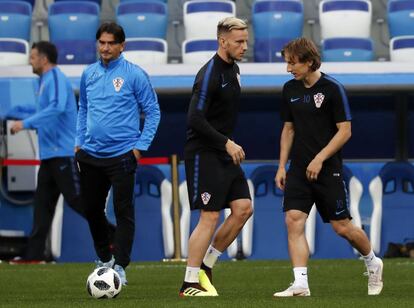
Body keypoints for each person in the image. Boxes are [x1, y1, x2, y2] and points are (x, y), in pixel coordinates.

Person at [273, 37, 383, 297]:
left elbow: (345, 131)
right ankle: (300, 284)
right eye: (287, 63)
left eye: (293, 63)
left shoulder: (333, 88)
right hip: (298, 168)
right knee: (293, 219)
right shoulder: (289, 89)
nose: (289, 69)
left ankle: (372, 262)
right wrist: (281, 166)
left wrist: (320, 158)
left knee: (342, 227)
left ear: (309, 61)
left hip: (327, 169)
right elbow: (288, 130)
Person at [75, 22, 160, 286]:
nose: (105, 47)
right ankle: (103, 259)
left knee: (123, 211)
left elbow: (154, 112)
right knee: (91, 209)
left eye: (111, 43)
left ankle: (120, 266)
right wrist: (78, 143)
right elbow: (83, 109)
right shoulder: (88, 74)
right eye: (101, 42)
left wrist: (139, 148)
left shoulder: (135, 74)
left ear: (122, 46)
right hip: (89, 154)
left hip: (123, 154)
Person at [179, 17, 253, 297]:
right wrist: (226, 143)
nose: (244, 46)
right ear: (222, 42)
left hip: (223, 151)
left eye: (246, 41)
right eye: (238, 42)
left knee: (244, 208)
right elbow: (194, 118)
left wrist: (226, 145)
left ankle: (206, 266)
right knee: (209, 216)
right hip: (204, 153)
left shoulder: (234, 70)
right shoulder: (209, 73)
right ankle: (189, 284)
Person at [9, 41, 85, 263]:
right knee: (42, 206)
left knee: (77, 200)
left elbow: (57, 108)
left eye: (32, 57)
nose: (30, 61)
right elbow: (42, 110)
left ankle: (111, 234)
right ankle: (33, 256)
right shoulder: (42, 82)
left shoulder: (57, 78)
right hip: (49, 156)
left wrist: (26, 124)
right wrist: (18, 115)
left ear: (43, 59)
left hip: (63, 153)